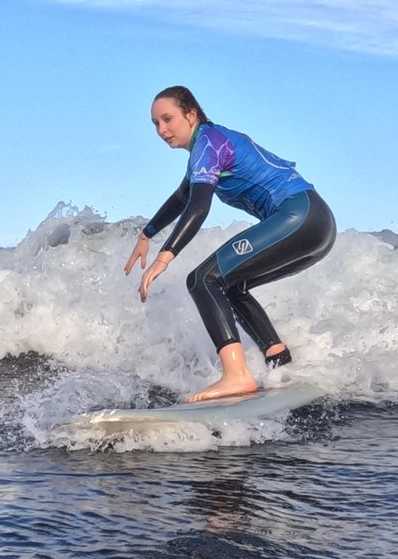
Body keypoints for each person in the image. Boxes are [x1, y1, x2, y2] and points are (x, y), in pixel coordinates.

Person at [123, 86, 336, 402]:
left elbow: (198, 207)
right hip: (316, 224)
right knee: (231, 285)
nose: (161, 130)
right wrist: (146, 235)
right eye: (155, 124)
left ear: (191, 114)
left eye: (167, 119)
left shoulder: (209, 143)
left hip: (300, 215)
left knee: (202, 279)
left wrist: (164, 257)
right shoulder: (206, 147)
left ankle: (236, 375)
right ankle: (280, 362)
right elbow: (183, 197)